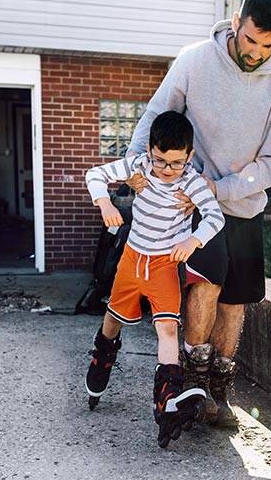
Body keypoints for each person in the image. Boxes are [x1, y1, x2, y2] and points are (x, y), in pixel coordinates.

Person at [125, 0, 271, 427]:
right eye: (250, 40)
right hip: (193, 204)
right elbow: (156, 116)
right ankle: (194, 383)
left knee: (234, 302)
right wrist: (135, 167)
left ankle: (221, 392)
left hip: (242, 205)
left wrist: (222, 188)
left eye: (268, 45)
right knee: (206, 285)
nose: (256, 53)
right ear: (236, 22)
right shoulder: (195, 60)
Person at [84, 110, 225, 448]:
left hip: (164, 264)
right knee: (113, 319)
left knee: (168, 328)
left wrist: (193, 241)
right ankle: (103, 355)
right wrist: (105, 204)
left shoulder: (192, 182)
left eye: (176, 163)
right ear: (150, 150)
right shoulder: (139, 166)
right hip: (132, 260)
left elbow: (215, 216)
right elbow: (95, 174)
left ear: (189, 155)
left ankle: (168, 398)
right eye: (160, 160)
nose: (167, 169)